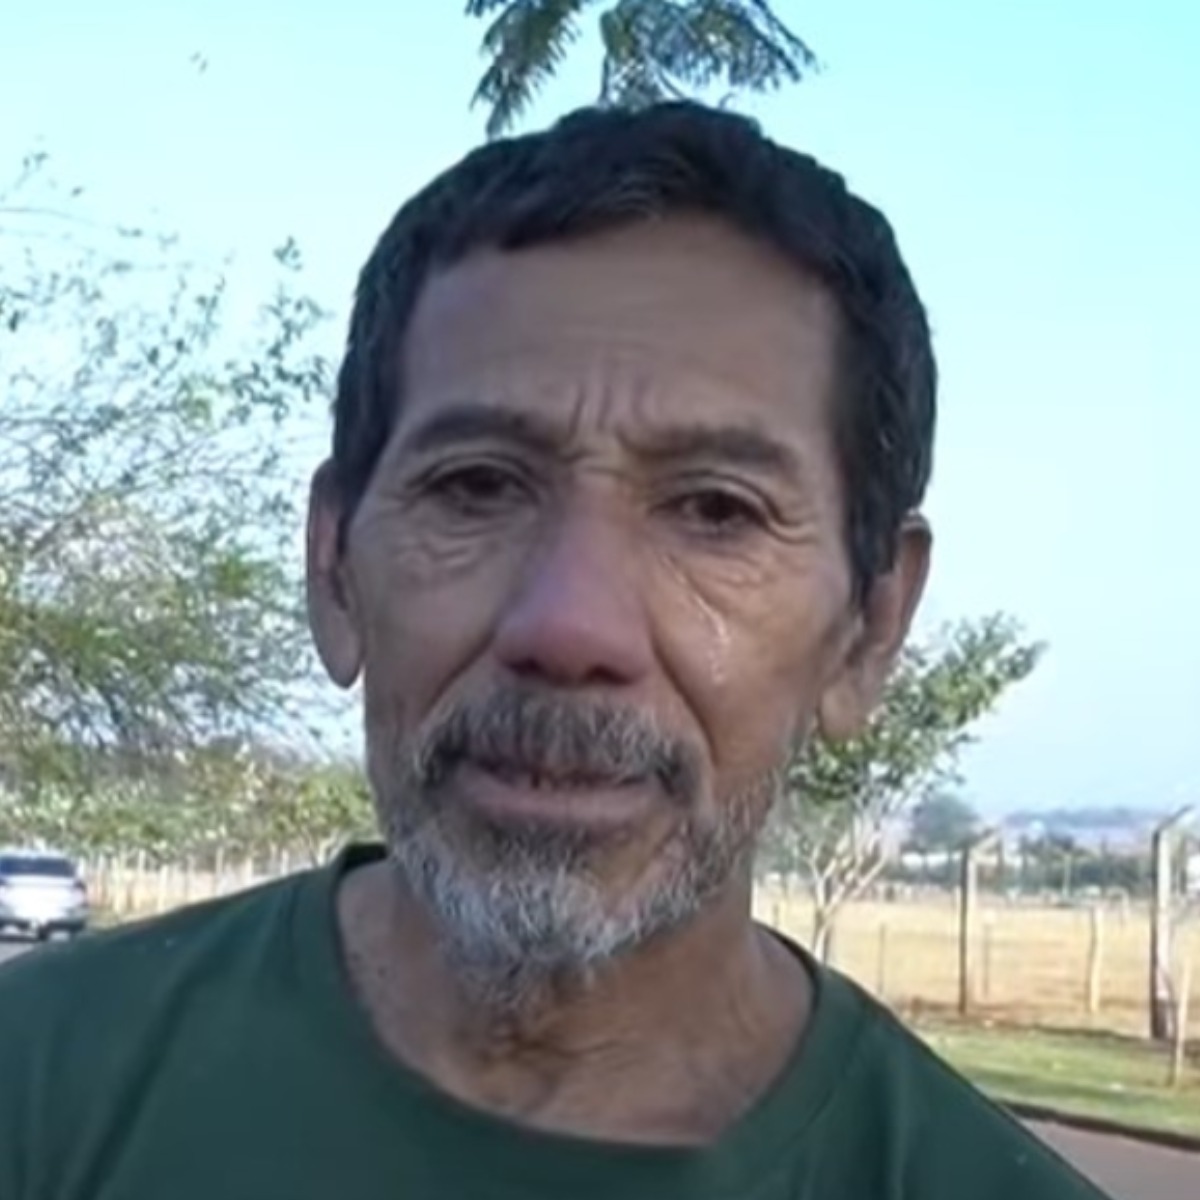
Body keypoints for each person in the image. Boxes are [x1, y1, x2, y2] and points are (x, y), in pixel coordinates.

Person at [0, 102, 1109, 1200]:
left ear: (869, 629)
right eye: (476, 486)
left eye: (716, 512)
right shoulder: (38, 1086)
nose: (570, 627)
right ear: (333, 567)